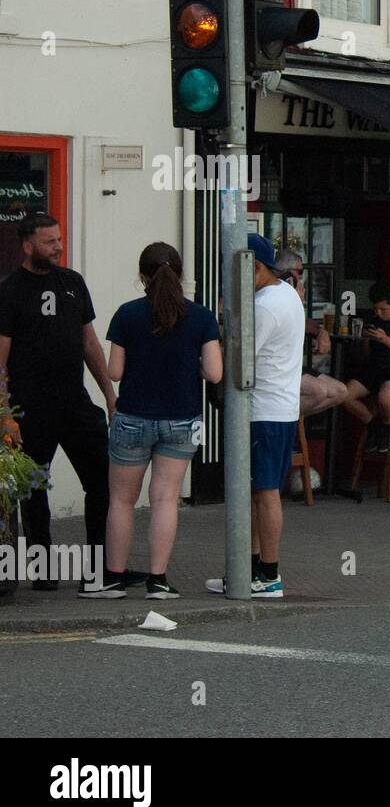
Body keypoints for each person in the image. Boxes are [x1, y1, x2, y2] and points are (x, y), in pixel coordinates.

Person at [83, 244, 222, 600]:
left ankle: (113, 579)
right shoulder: (202, 317)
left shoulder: (127, 314)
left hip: (132, 418)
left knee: (121, 501)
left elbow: (114, 372)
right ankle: (158, 581)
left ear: (142, 275)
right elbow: (215, 373)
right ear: (180, 274)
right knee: (164, 499)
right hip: (181, 420)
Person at [0, 213, 120, 593]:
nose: (58, 247)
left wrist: (109, 395)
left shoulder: (72, 283)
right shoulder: (9, 291)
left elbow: (89, 343)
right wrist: (5, 414)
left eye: (60, 239)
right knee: (34, 491)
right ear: (28, 244)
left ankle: (98, 567)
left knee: (102, 481)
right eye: (49, 241)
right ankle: (42, 569)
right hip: (29, 409)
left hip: (75, 404)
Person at [207, 235, 304, 599]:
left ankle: (269, 574)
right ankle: (245, 570)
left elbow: (240, 359)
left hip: (263, 409)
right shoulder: (287, 295)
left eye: (235, 270)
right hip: (277, 408)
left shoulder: (263, 306)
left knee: (264, 493)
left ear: (254, 267)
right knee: (254, 491)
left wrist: (214, 338)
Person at [341, 281, 390, 453]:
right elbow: (368, 354)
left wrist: (386, 340)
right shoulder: (373, 321)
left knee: (384, 397)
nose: (378, 313)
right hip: (374, 367)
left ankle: (385, 428)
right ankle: (372, 424)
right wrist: (365, 339)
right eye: (375, 309)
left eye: (383, 309)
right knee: (344, 395)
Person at [275, 248, 349, 417]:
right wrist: (296, 303)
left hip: (292, 364)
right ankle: (282, 419)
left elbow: (303, 323)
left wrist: (321, 332)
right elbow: (286, 324)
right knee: (318, 392)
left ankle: (288, 418)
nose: (301, 278)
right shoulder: (275, 293)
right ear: (287, 274)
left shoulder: (290, 294)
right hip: (278, 366)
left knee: (340, 391)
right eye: (299, 272)